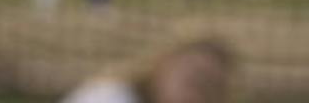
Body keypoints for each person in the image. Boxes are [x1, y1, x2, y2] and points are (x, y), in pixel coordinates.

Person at [58, 34, 237, 103]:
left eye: (209, 87)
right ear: (163, 65)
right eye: (192, 79)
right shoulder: (109, 97)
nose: (195, 94)